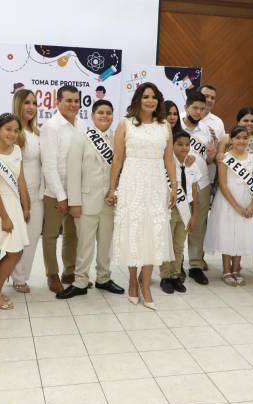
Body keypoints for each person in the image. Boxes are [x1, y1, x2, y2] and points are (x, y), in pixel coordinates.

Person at [108, 82, 176, 310]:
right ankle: (132, 282)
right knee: (133, 231)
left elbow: (169, 159)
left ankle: (145, 285)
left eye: (154, 97)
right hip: (132, 182)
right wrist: (112, 188)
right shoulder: (125, 124)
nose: (150, 100)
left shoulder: (164, 126)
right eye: (146, 96)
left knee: (152, 233)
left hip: (156, 183)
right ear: (138, 99)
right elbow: (118, 159)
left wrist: (174, 187)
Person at [58, 99, 125, 299]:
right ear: (92, 116)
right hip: (86, 202)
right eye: (100, 112)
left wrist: (117, 194)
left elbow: (122, 171)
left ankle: (104, 278)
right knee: (84, 244)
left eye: (108, 112)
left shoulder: (118, 139)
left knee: (106, 244)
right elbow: (73, 172)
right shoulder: (81, 138)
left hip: (109, 201)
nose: (104, 116)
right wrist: (74, 203)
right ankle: (80, 281)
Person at [0, 113, 30, 310]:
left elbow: (21, 181)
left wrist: (26, 206)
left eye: (16, 130)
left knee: (16, 252)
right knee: (13, 252)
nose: (12, 134)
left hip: (15, 206)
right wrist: (5, 217)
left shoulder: (17, 149)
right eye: (8, 129)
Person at [206, 126, 253, 285]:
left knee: (242, 233)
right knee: (227, 233)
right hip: (228, 201)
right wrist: (237, 207)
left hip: (247, 199)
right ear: (231, 140)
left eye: (244, 138)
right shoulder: (224, 158)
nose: (241, 141)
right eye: (237, 138)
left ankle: (236, 267)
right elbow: (223, 185)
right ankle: (226, 269)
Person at [40, 85, 84, 292]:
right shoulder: (51, 127)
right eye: (69, 100)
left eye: (76, 101)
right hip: (54, 192)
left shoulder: (82, 125)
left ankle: (70, 271)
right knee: (50, 236)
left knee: (72, 235)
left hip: (77, 191)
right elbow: (49, 165)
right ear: (58, 102)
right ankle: (52, 274)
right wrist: (60, 196)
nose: (73, 105)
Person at [10, 89, 43, 293]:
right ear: (18, 105)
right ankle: (17, 277)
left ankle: (22, 276)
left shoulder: (37, 132)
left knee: (32, 237)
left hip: (38, 194)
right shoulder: (14, 132)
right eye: (26, 102)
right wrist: (24, 201)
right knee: (18, 239)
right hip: (20, 194)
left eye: (34, 103)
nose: (31, 106)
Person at [181, 91, 215, 285]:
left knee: (199, 224)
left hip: (201, 181)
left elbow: (209, 159)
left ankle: (195, 264)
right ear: (186, 107)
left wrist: (211, 155)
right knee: (178, 223)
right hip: (179, 182)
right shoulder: (174, 124)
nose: (198, 111)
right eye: (195, 107)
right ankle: (176, 264)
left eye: (202, 108)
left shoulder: (207, 130)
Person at [159, 130, 199, 294]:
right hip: (168, 208)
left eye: (187, 144)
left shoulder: (192, 164)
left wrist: (194, 214)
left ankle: (176, 275)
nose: (184, 148)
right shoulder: (166, 163)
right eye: (180, 144)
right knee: (166, 244)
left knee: (178, 245)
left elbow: (195, 191)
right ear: (172, 145)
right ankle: (165, 277)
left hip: (185, 210)